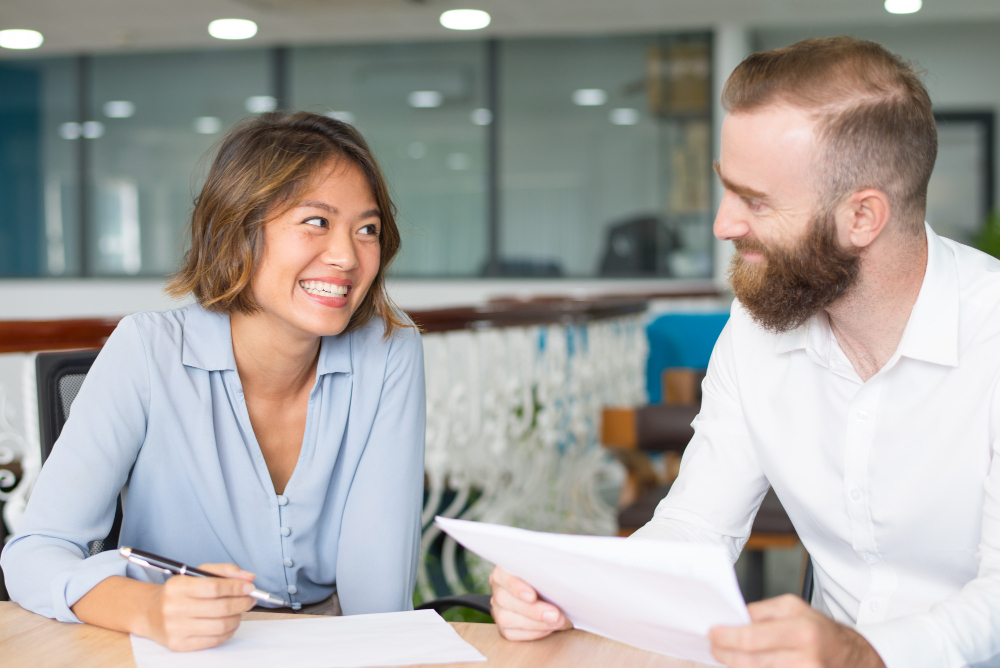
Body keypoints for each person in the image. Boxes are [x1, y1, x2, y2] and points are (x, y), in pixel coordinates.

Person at [488, 36, 1000, 668]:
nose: (722, 224)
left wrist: (861, 653)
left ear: (863, 217)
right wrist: (580, 594)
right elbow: (697, 528)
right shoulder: (758, 327)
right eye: (726, 189)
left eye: (755, 200)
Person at [1, 111, 426, 651]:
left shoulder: (390, 352)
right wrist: (150, 610)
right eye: (316, 221)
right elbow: (35, 552)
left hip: (334, 641)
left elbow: (377, 596)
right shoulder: (147, 351)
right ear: (238, 230)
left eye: (366, 229)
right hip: (176, 643)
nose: (346, 256)